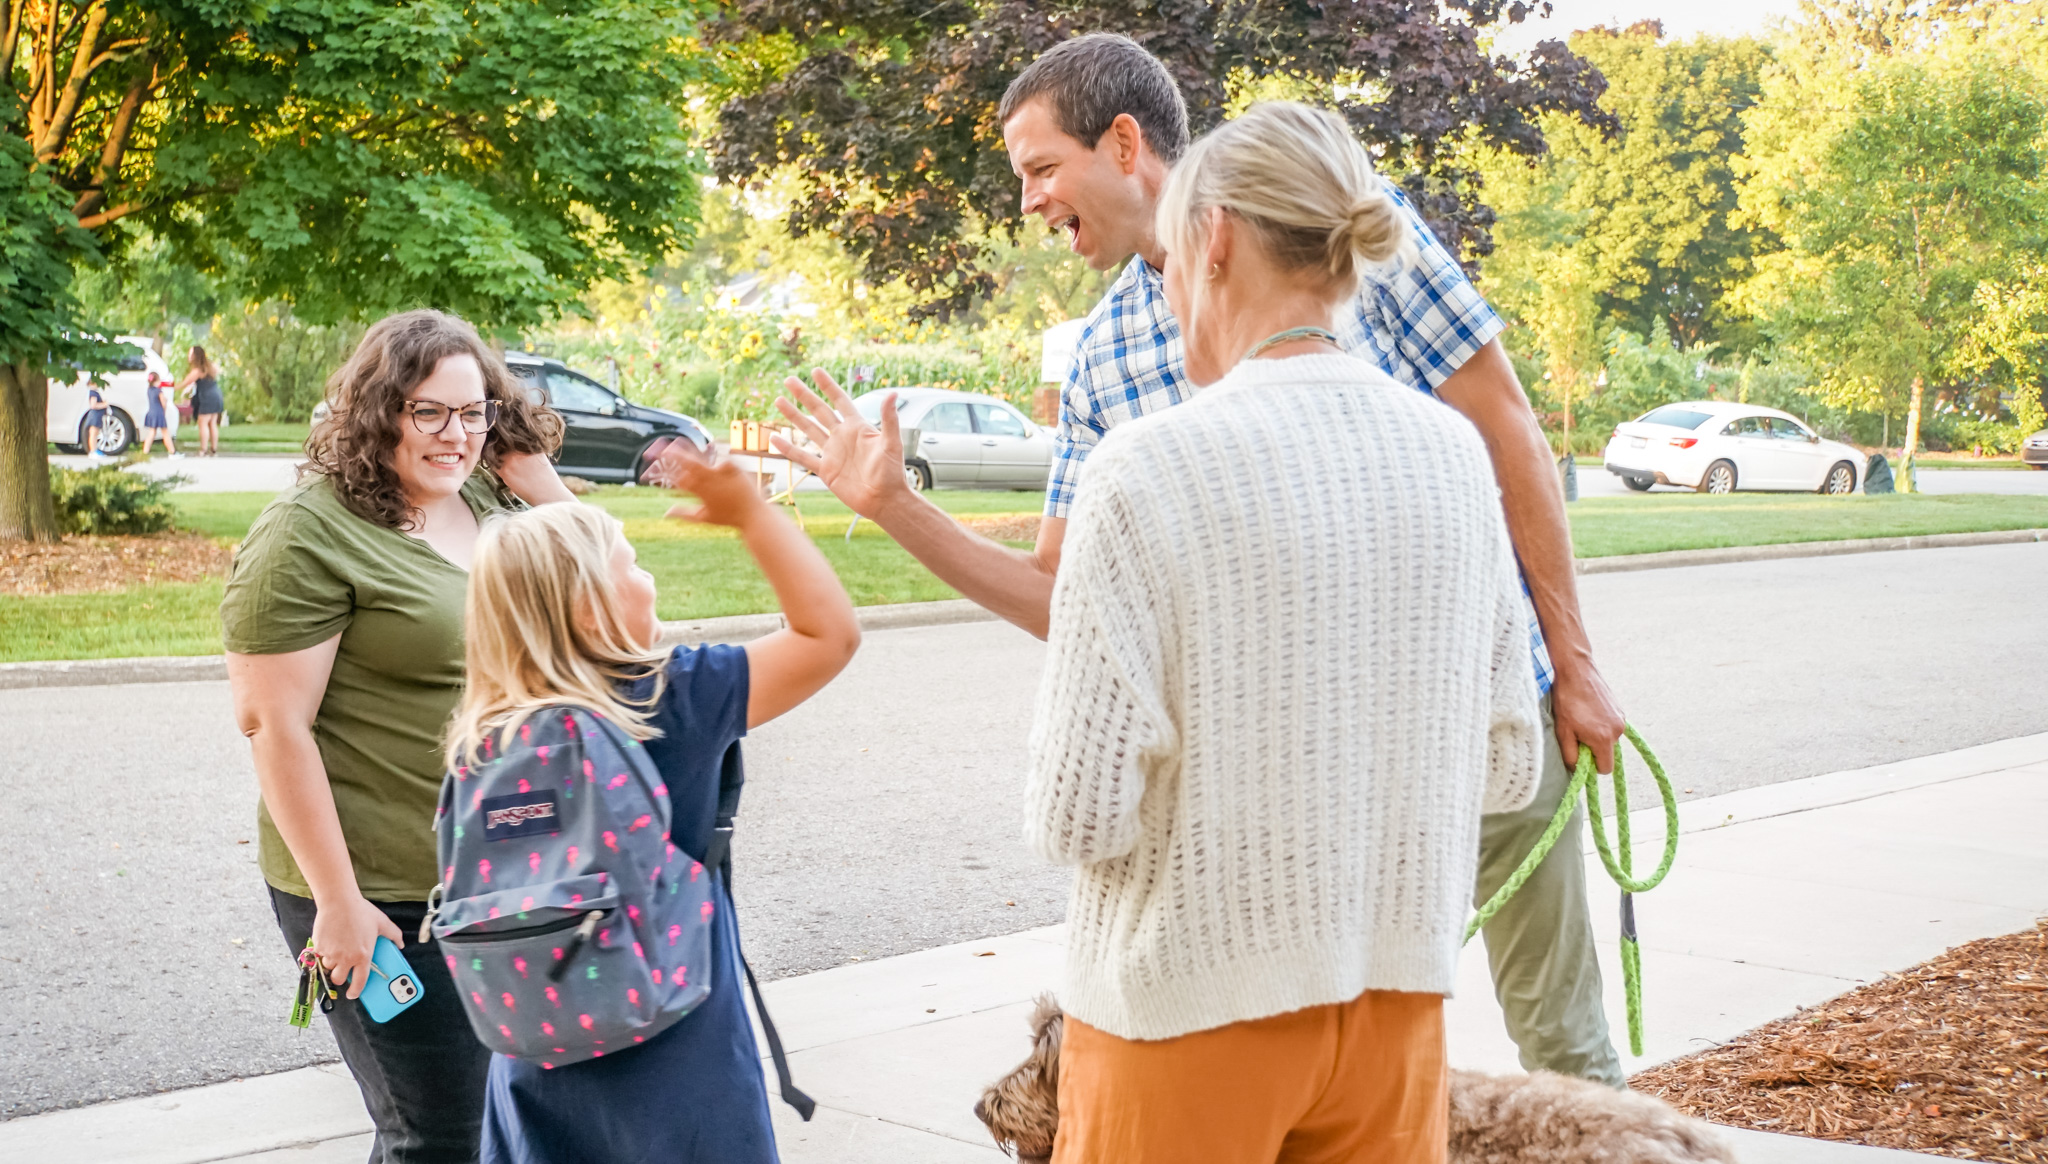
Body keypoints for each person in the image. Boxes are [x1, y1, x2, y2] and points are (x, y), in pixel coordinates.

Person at [778, 32, 1628, 1086]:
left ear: (1123, 144)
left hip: (1475, 712)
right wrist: (895, 508)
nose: (1030, 201)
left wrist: (1574, 661)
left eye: (1041, 168)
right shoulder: (1102, 354)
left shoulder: (1340, 233)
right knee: (1343, 1066)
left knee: (1562, 1045)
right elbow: (1068, 599)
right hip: (1297, 778)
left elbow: (1503, 428)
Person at [1023, 101, 1541, 1162]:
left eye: (1166, 259)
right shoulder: (1450, 453)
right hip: (1393, 1012)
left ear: (1211, 242)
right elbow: (1505, 763)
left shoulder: (1144, 467)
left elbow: (1078, 814)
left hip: (1180, 1016)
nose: (1163, 291)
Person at [223, 310, 576, 1164]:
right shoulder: (308, 533)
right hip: (379, 890)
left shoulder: (491, 500)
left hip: (500, 871)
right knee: (439, 1134)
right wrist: (340, 906)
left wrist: (545, 487)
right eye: (429, 412)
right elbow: (274, 726)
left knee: (501, 1121)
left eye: (475, 410)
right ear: (378, 409)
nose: (456, 434)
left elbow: (609, 604)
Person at [446, 458, 860, 1164]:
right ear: (589, 606)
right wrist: (753, 517)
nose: (648, 579)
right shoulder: (669, 698)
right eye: (630, 566)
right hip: (675, 1049)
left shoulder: (484, 738)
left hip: (536, 1051)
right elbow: (830, 634)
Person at [180, 345, 225, 456]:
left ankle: (203, 450)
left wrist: (168, 386)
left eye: (190, 354)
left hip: (207, 398)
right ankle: (214, 450)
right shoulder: (209, 367)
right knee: (212, 423)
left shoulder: (197, 370)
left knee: (202, 422)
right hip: (216, 395)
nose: (188, 356)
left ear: (196, 356)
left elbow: (184, 383)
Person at [140, 372, 180, 458]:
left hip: (151, 412)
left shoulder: (149, 390)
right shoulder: (159, 391)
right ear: (157, 381)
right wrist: (164, 408)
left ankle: (145, 451)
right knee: (165, 433)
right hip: (159, 413)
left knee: (151, 433)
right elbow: (163, 402)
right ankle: (172, 452)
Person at [82, 384, 109, 461]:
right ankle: (93, 451)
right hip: (95, 416)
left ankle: (94, 450)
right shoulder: (93, 393)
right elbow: (93, 405)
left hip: (97, 416)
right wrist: (104, 404)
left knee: (95, 433)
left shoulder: (94, 392)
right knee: (93, 434)